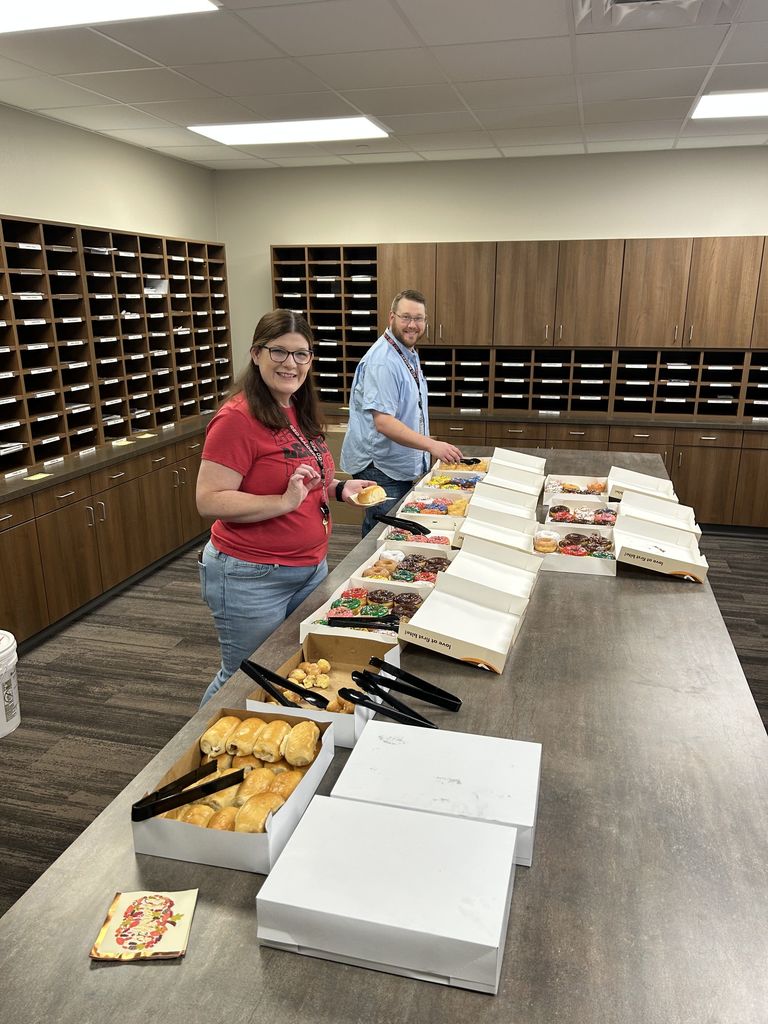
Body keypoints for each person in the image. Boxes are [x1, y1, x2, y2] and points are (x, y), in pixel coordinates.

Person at [196, 309, 374, 705]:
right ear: (256, 353)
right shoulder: (237, 420)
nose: (290, 363)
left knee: (285, 666)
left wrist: (339, 488)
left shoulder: (296, 406)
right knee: (243, 675)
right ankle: (195, 749)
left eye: (301, 354)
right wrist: (283, 502)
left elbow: (306, 476)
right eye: (279, 352)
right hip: (251, 575)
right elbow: (208, 500)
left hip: (309, 567)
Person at [340, 288, 463, 535]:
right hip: (381, 466)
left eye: (418, 319)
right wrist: (430, 445)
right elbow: (384, 422)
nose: (412, 325)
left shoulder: (406, 352)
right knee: (382, 533)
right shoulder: (383, 361)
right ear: (391, 317)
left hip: (396, 463)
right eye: (406, 317)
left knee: (391, 529)